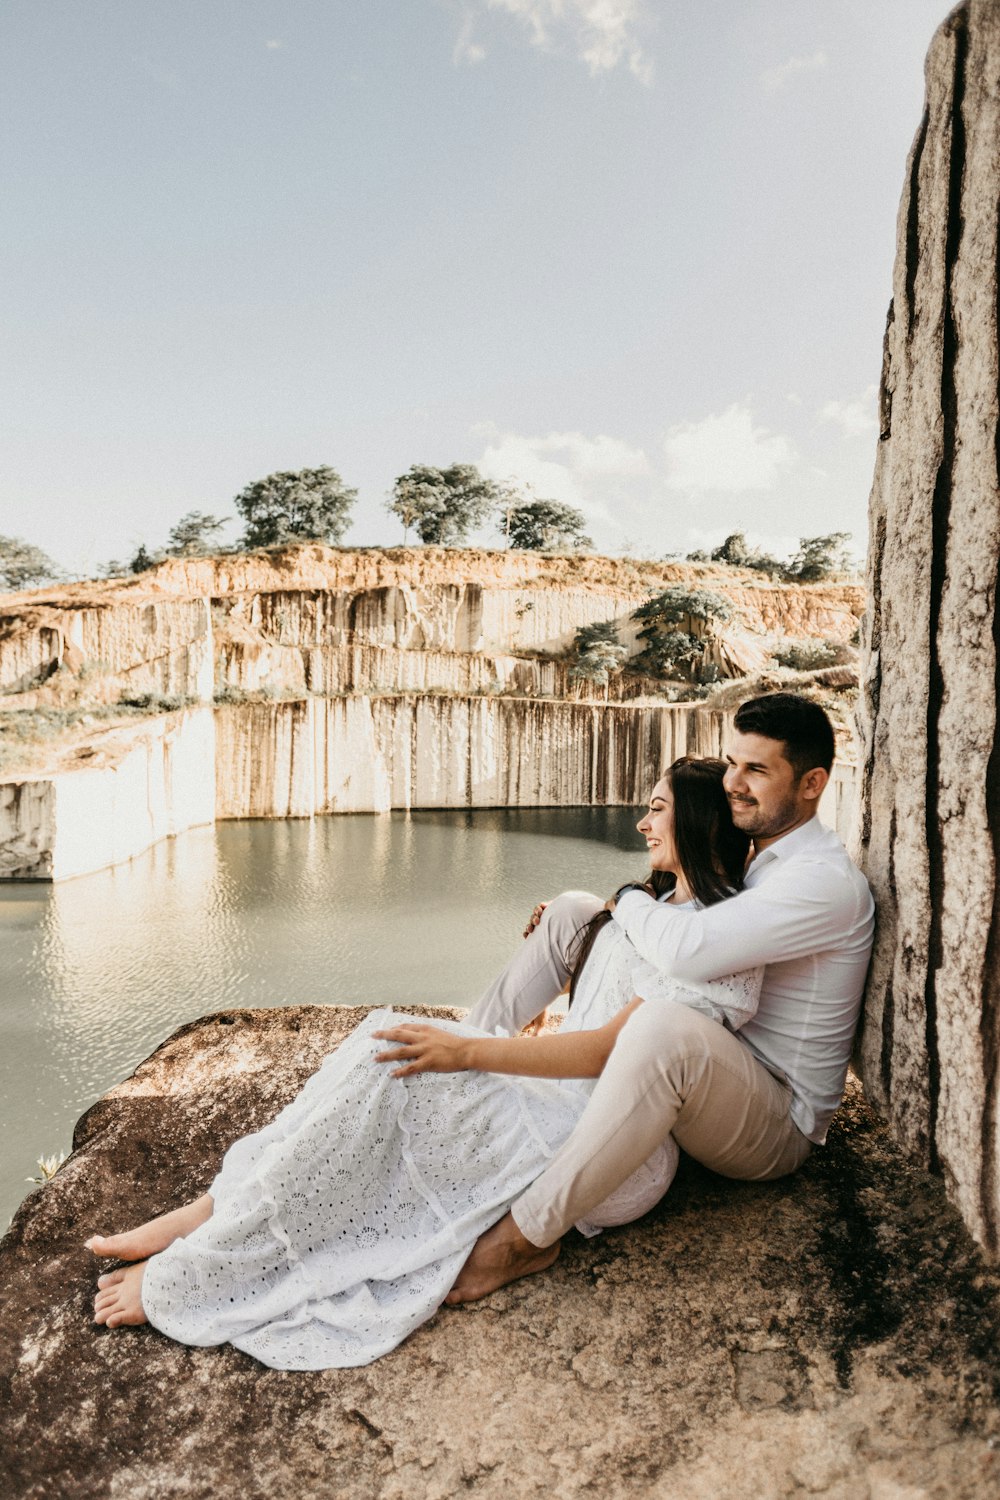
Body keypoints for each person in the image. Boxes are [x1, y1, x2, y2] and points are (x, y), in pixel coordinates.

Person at [88, 757, 759, 1369]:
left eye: (658, 807)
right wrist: (585, 927)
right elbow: (606, 963)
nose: (642, 821)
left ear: (697, 819)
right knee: (386, 1043)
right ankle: (220, 1209)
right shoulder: (657, 905)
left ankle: (214, 1258)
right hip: (560, 1100)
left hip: (610, 1142)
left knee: (401, 1068)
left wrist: (467, 1050)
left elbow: (610, 1049)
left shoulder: (714, 938)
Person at [446, 692, 875, 1306]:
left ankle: (524, 1239)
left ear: (812, 783)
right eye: (733, 763)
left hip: (776, 1118)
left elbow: (689, 953)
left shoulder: (819, 881)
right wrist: (597, 918)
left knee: (661, 1027)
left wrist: (627, 900)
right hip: (717, 1068)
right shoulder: (760, 855)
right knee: (573, 914)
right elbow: (689, 926)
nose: (734, 783)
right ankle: (467, 1054)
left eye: (757, 770)